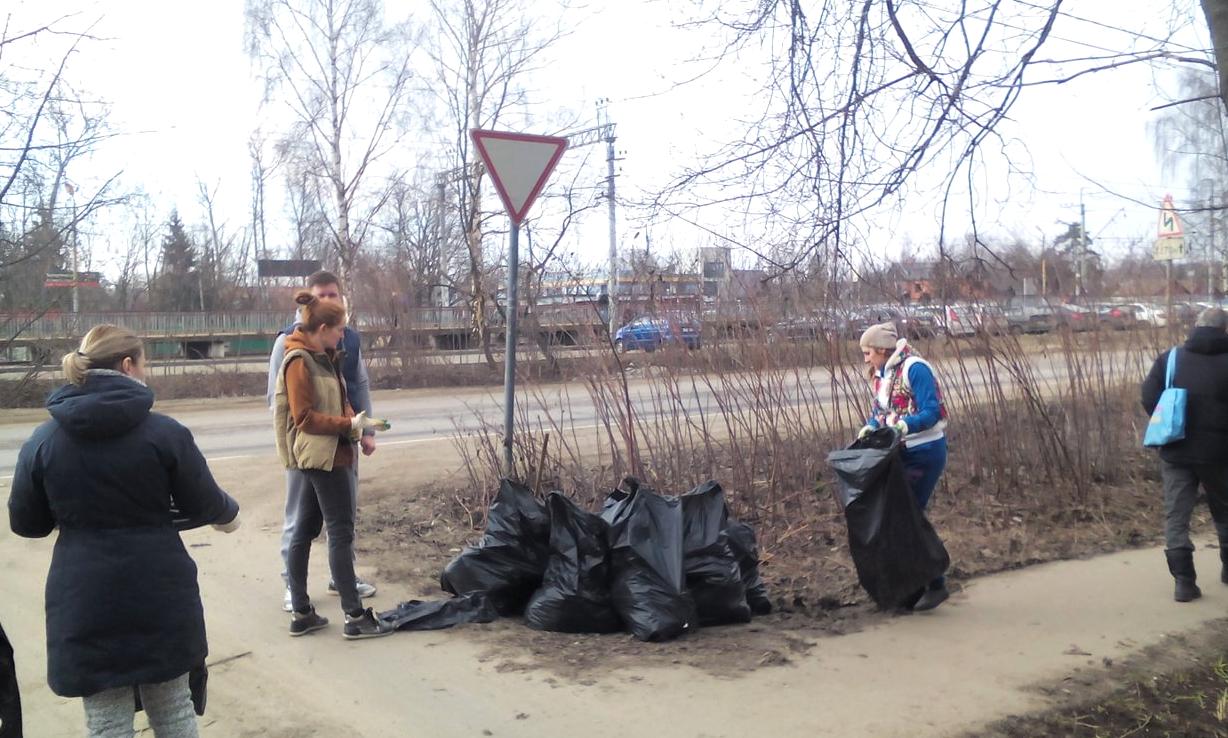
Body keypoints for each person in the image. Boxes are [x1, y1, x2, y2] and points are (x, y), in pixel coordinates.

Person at [8, 325, 240, 738]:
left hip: (83, 599)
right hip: (160, 594)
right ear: (128, 365)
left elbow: (27, 523)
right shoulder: (164, 434)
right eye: (144, 364)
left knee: (107, 724)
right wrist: (230, 514)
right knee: (173, 711)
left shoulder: (44, 440)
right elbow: (204, 504)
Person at [273, 290, 394, 639]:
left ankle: (302, 613)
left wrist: (359, 423)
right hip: (324, 457)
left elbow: (336, 401)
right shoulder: (300, 360)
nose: (343, 335)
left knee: (307, 531)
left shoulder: (321, 356)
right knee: (340, 533)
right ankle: (355, 617)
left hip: (326, 455)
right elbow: (304, 417)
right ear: (323, 327)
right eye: (339, 329)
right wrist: (348, 426)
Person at [857, 321, 950, 611]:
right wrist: (871, 427)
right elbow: (882, 412)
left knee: (907, 518)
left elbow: (932, 412)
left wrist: (904, 425)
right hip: (900, 453)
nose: (866, 358)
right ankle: (914, 585)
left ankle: (935, 584)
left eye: (868, 352)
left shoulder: (915, 369)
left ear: (883, 350)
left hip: (925, 452)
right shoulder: (882, 374)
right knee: (898, 518)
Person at [1141, 306, 1228, 602]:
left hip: (1176, 449)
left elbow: (1149, 397)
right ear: (1224, 330)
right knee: (1225, 510)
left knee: (1176, 515)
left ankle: (1184, 583)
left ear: (1195, 327)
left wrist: (1171, 423)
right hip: (1221, 454)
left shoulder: (1171, 359)